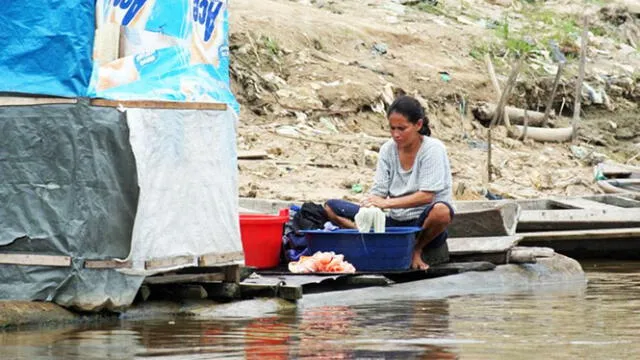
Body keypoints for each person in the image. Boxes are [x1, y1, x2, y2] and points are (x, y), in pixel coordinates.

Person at [324, 95, 454, 270]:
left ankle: (416, 249)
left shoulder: (433, 149)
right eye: (392, 128)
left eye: (402, 128)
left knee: (442, 211)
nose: (396, 134)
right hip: (395, 221)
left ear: (418, 125)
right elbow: (379, 190)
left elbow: (426, 196)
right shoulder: (387, 149)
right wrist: (370, 205)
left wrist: (385, 203)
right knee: (331, 208)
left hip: (422, 223)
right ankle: (369, 238)